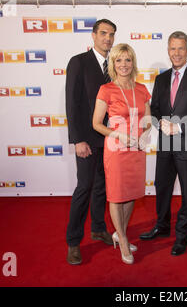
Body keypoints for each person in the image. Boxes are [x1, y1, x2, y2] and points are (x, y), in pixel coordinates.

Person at [139, 31, 187, 256]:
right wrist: (159, 121)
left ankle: (182, 236)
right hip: (164, 145)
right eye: (173, 48)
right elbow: (156, 110)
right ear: (168, 50)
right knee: (162, 188)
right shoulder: (161, 79)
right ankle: (161, 227)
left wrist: (179, 127)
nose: (177, 53)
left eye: (181, 48)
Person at [92, 43, 152, 265]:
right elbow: (97, 124)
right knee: (117, 195)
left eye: (127, 60)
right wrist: (119, 136)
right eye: (119, 60)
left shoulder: (142, 88)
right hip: (116, 150)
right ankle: (124, 240)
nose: (124, 64)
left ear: (133, 62)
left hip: (137, 149)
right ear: (113, 64)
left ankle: (120, 232)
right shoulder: (106, 89)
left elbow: (148, 119)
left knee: (131, 193)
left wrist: (145, 134)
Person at [65, 19, 116, 265]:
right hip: (86, 139)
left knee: (101, 188)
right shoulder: (79, 62)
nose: (108, 38)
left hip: (107, 138)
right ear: (94, 35)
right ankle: (73, 242)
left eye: (111, 34)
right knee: (84, 187)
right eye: (104, 33)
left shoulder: (114, 65)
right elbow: (72, 103)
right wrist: (77, 139)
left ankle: (98, 228)